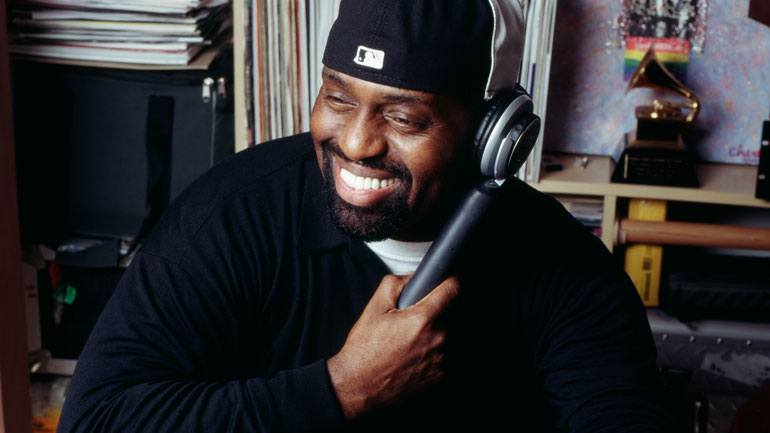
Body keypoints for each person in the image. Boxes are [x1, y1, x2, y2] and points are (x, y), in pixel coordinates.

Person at [58, 0, 673, 431]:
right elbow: (95, 420)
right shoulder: (230, 216)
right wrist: (341, 388)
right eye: (337, 98)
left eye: (403, 118)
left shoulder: (565, 267)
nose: (355, 143)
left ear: (493, 137)